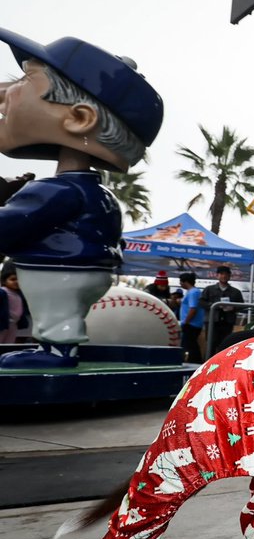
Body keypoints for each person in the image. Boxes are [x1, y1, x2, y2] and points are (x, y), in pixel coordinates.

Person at [0, 29, 162, 368]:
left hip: (59, 269)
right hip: (87, 269)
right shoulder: (98, 194)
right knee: (58, 312)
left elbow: (9, 227)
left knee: (56, 314)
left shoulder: (59, 190)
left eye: (24, 82)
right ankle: (55, 349)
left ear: (78, 118)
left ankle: (58, 354)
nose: (4, 92)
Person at [199, 266, 243, 354]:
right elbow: (201, 302)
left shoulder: (236, 292)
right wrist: (215, 306)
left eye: (226, 274)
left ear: (230, 276)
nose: (224, 276)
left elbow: (241, 305)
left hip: (227, 322)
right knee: (211, 344)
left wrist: (233, 307)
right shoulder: (209, 289)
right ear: (217, 275)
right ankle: (208, 364)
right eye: (221, 274)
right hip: (212, 322)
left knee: (225, 345)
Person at [0, 264, 32, 344]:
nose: (16, 282)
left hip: (13, 324)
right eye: (13, 279)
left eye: (19, 279)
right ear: (4, 281)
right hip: (3, 324)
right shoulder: (3, 292)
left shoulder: (18, 294)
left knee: (9, 343)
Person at [177, 272, 205, 363]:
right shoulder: (191, 292)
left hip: (191, 324)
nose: (180, 284)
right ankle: (194, 361)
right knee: (190, 344)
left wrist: (186, 321)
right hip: (191, 323)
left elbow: (193, 309)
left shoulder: (193, 292)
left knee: (189, 344)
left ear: (185, 282)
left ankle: (195, 362)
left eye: (180, 282)